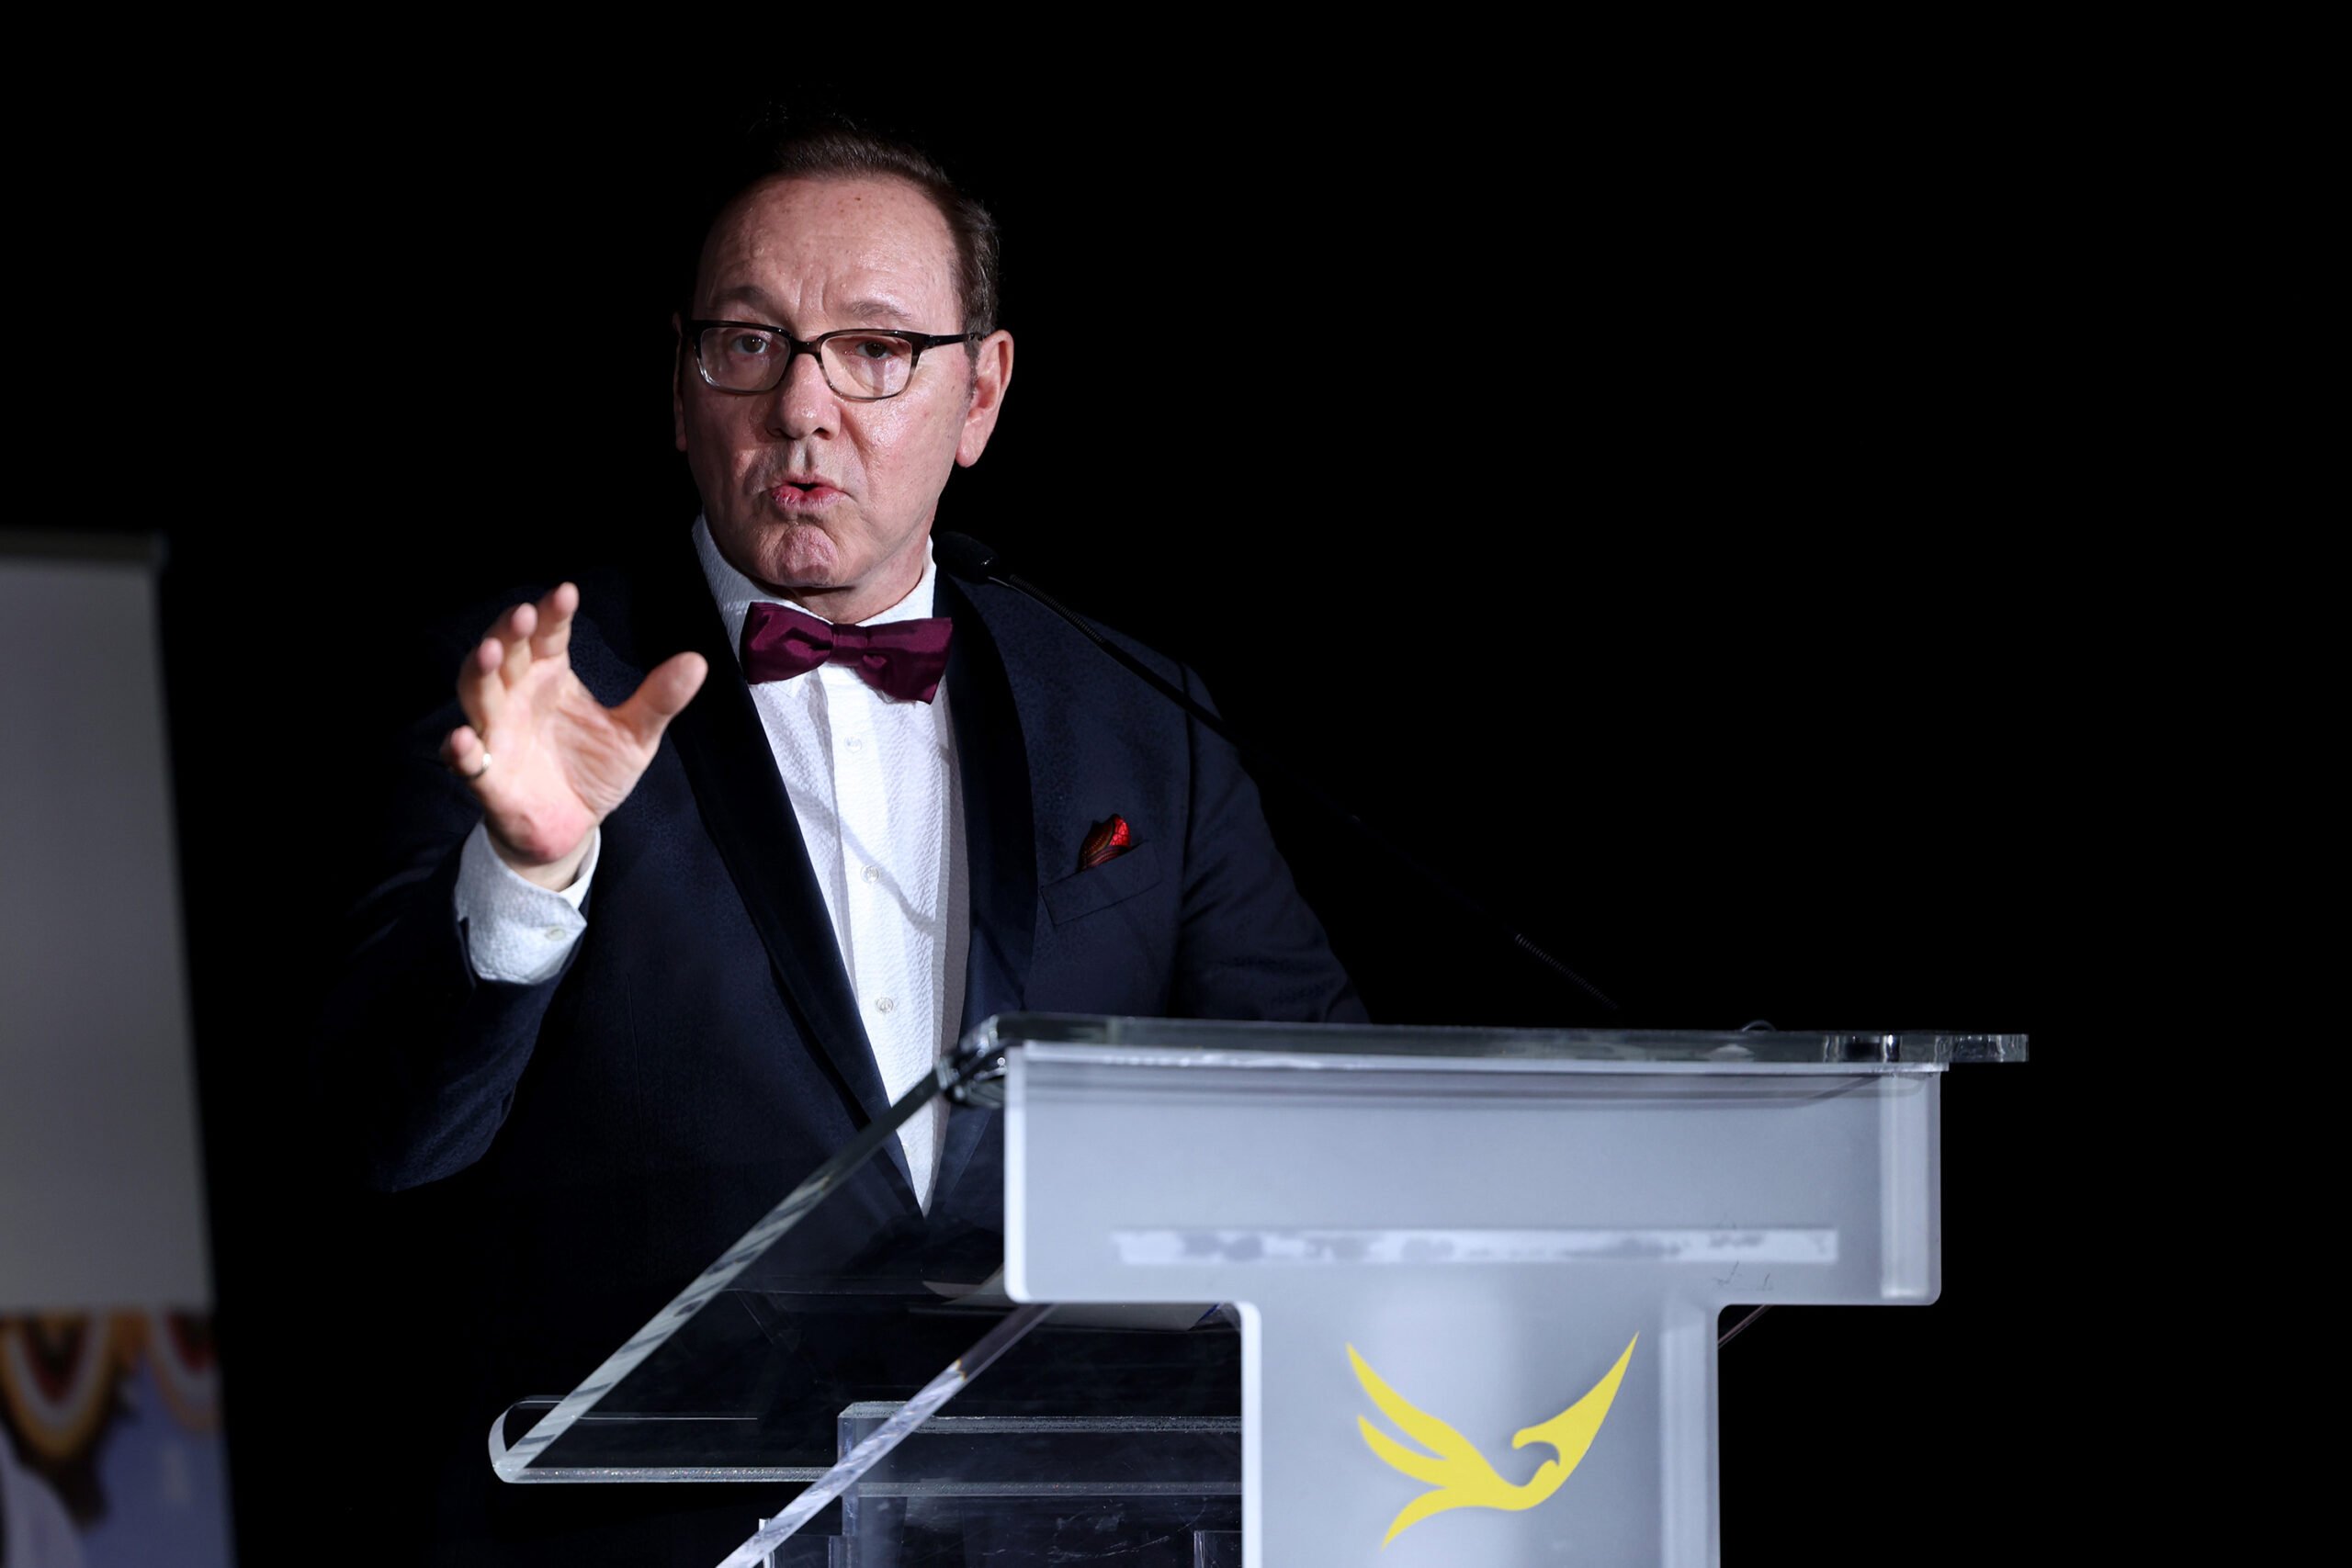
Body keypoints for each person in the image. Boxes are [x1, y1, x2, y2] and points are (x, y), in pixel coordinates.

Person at [316, 127, 1363, 1562]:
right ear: (679, 386)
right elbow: (390, 1143)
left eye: (875, 350)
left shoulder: (1137, 717)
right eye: (748, 344)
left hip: (1070, 1529)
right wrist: (529, 876)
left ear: (979, 391)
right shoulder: (531, 685)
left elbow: (1326, 1126)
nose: (803, 407)